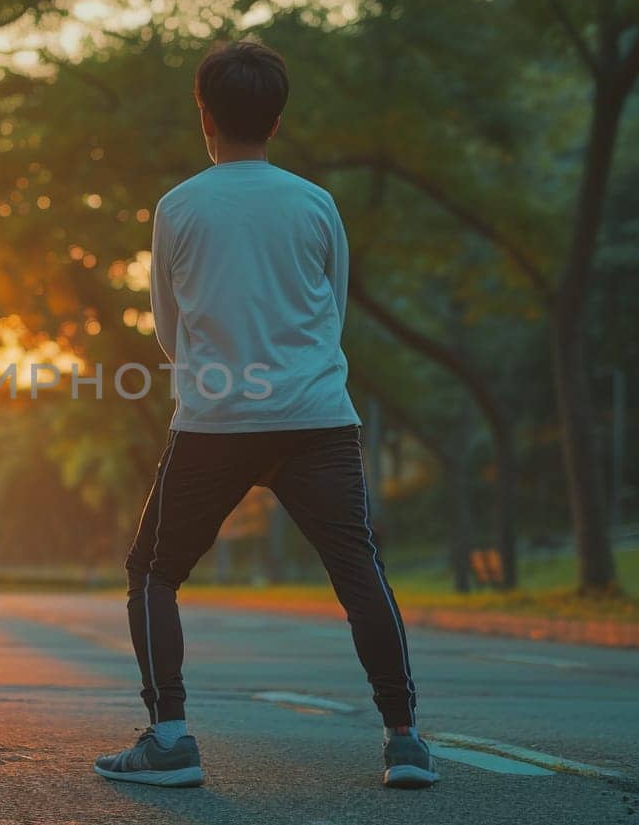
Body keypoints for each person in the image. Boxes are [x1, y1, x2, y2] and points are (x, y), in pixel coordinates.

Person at [92, 40, 438, 790]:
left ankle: (171, 737)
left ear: (205, 116)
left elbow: (166, 326)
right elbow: (332, 310)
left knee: (152, 571)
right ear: (276, 122)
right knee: (359, 571)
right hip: (317, 414)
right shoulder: (317, 203)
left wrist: (218, 374)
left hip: (215, 417)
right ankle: (405, 739)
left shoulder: (179, 206)